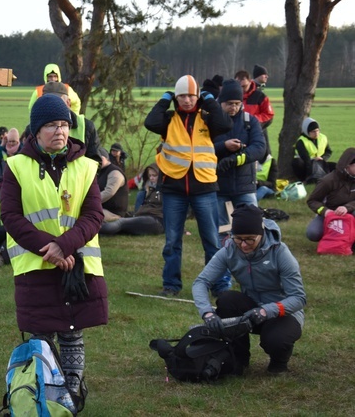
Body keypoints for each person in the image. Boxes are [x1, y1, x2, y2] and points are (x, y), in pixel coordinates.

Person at [1, 93, 106, 409]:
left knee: (73, 331)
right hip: (36, 266)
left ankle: (72, 397)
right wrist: (49, 249)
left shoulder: (87, 167)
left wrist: (65, 245)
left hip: (77, 265)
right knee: (41, 335)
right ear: (36, 130)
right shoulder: (16, 167)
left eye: (64, 124)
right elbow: (11, 216)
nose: (60, 131)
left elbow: (94, 215)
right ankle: (44, 397)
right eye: (51, 125)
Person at [144, 75, 232, 297]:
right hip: (174, 189)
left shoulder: (207, 118)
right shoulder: (168, 119)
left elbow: (225, 124)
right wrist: (165, 99)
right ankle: (171, 285)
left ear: (198, 97)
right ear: (176, 97)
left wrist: (209, 99)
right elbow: (150, 122)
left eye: (191, 96)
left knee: (212, 240)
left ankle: (219, 285)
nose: (187, 100)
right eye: (181, 96)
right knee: (172, 241)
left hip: (205, 187)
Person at [193, 204, 306, 374]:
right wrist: (207, 313)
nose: (244, 245)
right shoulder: (229, 249)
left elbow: (298, 298)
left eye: (250, 239)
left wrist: (267, 310)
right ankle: (239, 359)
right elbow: (201, 282)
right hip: (250, 310)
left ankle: (279, 363)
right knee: (227, 299)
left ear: (261, 233)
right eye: (238, 238)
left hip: (282, 312)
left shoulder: (281, 253)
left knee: (275, 340)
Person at [213, 80, 266, 236]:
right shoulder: (211, 122)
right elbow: (201, 148)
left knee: (252, 228)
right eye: (229, 103)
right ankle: (224, 257)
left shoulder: (250, 121)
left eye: (237, 103)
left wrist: (236, 158)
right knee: (222, 230)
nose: (234, 107)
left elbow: (259, 148)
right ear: (220, 102)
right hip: (218, 186)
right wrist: (224, 146)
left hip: (245, 186)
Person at [24, 81, 107, 166]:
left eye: (58, 102)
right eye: (47, 103)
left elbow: (96, 164)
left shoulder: (87, 127)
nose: (52, 106)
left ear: (68, 103)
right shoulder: (31, 128)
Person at [304, 147, 355, 242]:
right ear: (347, 166)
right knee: (313, 233)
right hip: (330, 214)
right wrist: (325, 212)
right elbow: (312, 201)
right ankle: (334, 235)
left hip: (351, 212)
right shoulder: (327, 181)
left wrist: (347, 208)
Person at [99, 164, 164, 236]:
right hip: (145, 216)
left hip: (156, 220)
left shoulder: (165, 191)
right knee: (121, 228)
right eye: (150, 175)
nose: (151, 178)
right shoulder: (149, 189)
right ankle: (97, 230)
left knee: (121, 222)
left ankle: (94, 229)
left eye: (154, 175)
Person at [236, 69, 274, 157]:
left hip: (257, 133)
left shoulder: (260, 96)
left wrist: (253, 121)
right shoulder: (232, 96)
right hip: (237, 135)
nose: (241, 89)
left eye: (244, 86)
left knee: (264, 160)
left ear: (250, 81)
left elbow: (269, 115)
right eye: (239, 86)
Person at [292, 117, 335, 184]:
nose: (316, 133)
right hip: (306, 165)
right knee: (297, 162)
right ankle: (305, 179)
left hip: (320, 162)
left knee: (336, 166)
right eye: (313, 131)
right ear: (307, 132)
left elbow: (328, 151)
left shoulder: (323, 137)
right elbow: (306, 159)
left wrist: (322, 158)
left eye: (317, 130)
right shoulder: (301, 141)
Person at [97, 155, 129, 221]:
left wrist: (91, 201)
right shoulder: (99, 170)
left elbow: (109, 192)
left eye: (101, 158)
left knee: (89, 216)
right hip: (100, 207)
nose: (98, 160)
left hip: (113, 212)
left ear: (106, 158)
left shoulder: (115, 173)